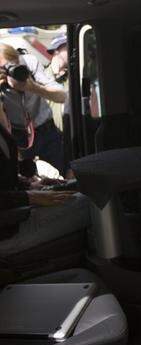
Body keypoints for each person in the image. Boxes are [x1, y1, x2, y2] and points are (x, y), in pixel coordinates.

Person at [0, 98, 89, 255]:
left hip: (17, 212)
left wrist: (31, 186)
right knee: (92, 203)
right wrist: (30, 197)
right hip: (9, 230)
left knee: (83, 187)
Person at [0, 43, 67, 174]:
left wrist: (33, 87)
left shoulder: (29, 63)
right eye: (4, 69)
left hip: (47, 131)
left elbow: (62, 97)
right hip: (17, 136)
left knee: (60, 177)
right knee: (25, 181)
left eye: (13, 65)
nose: (12, 72)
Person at [45, 34, 69, 135]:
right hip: (52, 138)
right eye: (67, 47)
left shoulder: (74, 76)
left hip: (72, 133)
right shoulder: (41, 77)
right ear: (56, 51)